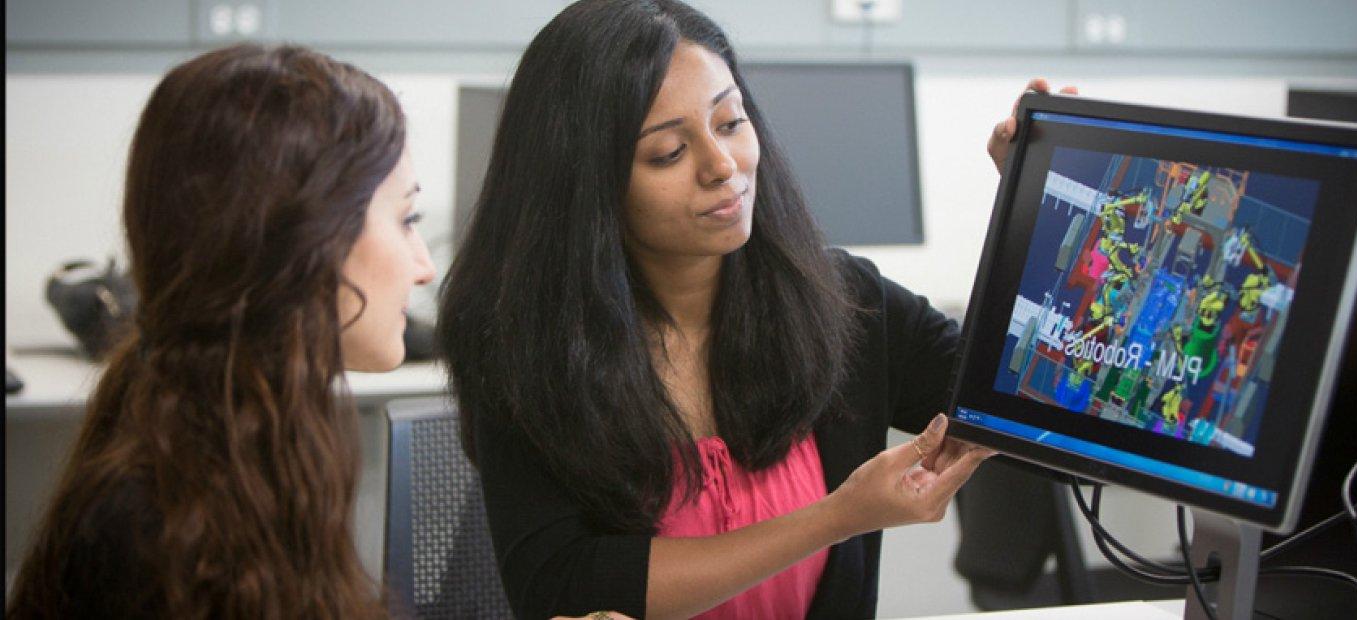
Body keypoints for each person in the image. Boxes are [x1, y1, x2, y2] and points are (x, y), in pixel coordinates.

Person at [439, 1, 1072, 618]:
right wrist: (836, 519)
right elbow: (561, 589)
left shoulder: (840, 300)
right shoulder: (524, 343)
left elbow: (1027, 410)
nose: (723, 167)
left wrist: (1043, 212)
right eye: (667, 153)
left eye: (730, 122)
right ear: (588, 185)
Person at [6, 43, 436, 618]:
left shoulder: (241, 446)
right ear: (308, 242)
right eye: (407, 220)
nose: (425, 265)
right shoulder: (162, 531)